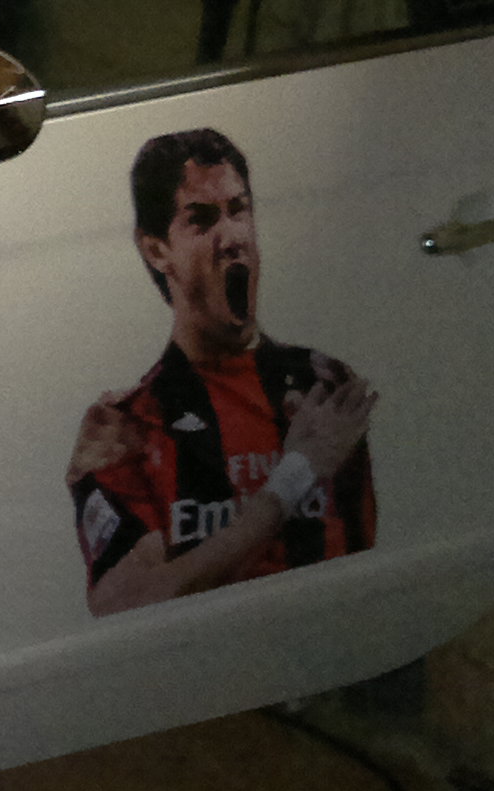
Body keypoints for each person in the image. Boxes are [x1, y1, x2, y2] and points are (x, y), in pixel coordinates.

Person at [69, 127, 379, 616]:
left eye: (239, 210)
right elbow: (128, 603)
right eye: (202, 220)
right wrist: (293, 479)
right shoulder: (126, 428)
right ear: (157, 250)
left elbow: (368, 564)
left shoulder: (323, 386)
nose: (232, 237)